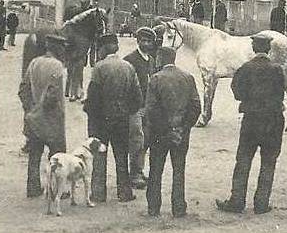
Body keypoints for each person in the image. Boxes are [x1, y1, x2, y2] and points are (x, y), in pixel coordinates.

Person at [216, 34, 286, 214]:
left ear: (254, 49)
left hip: (252, 120)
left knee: (244, 160)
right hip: (273, 120)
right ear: (268, 49)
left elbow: (237, 92)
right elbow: (281, 92)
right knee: (269, 161)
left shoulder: (245, 69)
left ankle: (237, 201)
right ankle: (261, 203)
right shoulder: (277, 69)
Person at [84, 33, 142, 203]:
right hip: (121, 119)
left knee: (99, 156)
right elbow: (137, 97)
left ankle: (98, 193)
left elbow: (93, 96)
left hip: (101, 121)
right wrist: (126, 110)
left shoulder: (99, 68)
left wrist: (91, 113)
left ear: (103, 49)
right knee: (121, 156)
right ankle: (124, 192)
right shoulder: (128, 67)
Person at [144, 46, 201, 217]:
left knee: (155, 170)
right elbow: (196, 106)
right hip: (181, 134)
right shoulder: (187, 77)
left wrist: (165, 130)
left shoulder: (155, 79)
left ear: (161, 59)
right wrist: (182, 127)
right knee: (179, 170)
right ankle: (179, 207)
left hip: (159, 135)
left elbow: (151, 110)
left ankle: (153, 208)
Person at [19, 34, 68, 197]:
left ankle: (32, 188)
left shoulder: (34, 63)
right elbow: (53, 94)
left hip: (34, 118)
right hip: (53, 118)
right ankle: (56, 189)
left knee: (34, 155)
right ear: (57, 48)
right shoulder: (57, 66)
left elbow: (23, 90)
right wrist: (47, 109)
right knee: (58, 155)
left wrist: (30, 109)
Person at [124, 27, 158, 189]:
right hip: (135, 108)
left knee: (146, 140)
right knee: (136, 140)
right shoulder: (130, 59)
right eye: (143, 40)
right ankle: (134, 174)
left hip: (148, 107)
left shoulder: (151, 60)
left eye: (149, 41)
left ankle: (139, 169)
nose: (146, 43)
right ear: (138, 41)